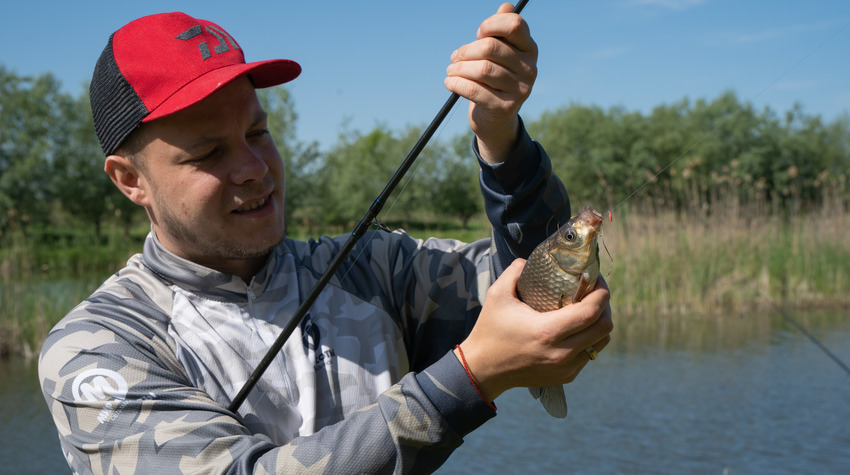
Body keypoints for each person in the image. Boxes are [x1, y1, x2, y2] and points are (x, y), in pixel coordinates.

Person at [39, 4, 613, 474]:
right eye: (209, 153)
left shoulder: (373, 269)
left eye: (258, 131)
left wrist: (503, 144)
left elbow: (541, 288)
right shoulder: (99, 349)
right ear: (130, 180)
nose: (254, 168)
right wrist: (467, 379)